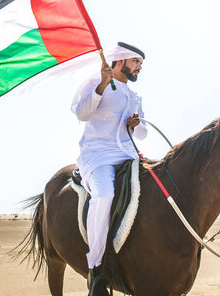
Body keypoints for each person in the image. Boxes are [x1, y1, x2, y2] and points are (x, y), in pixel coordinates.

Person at [71, 42, 147, 296]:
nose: (139, 68)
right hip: (98, 156)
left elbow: (144, 133)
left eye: (141, 64)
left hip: (128, 155)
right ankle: (96, 268)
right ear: (121, 61)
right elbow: (81, 113)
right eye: (136, 62)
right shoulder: (97, 81)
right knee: (104, 196)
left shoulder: (134, 96)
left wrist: (134, 124)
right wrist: (102, 86)